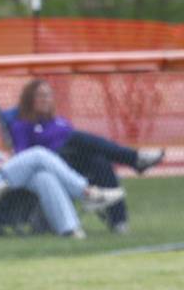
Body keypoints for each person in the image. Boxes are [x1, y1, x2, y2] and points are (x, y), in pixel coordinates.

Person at [0, 109, 124, 240]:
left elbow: (1, 157)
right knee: (38, 155)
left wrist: (4, 159)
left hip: (5, 180)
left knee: (43, 176)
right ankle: (86, 192)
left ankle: (70, 230)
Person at [11, 79, 164, 234]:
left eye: (48, 95)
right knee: (76, 138)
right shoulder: (22, 125)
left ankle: (119, 222)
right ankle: (134, 159)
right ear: (30, 99)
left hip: (73, 165)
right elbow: (22, 157)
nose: (45, 99)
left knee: (100, 161)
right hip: (50, 165)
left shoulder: (61, 122)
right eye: (40, 95)